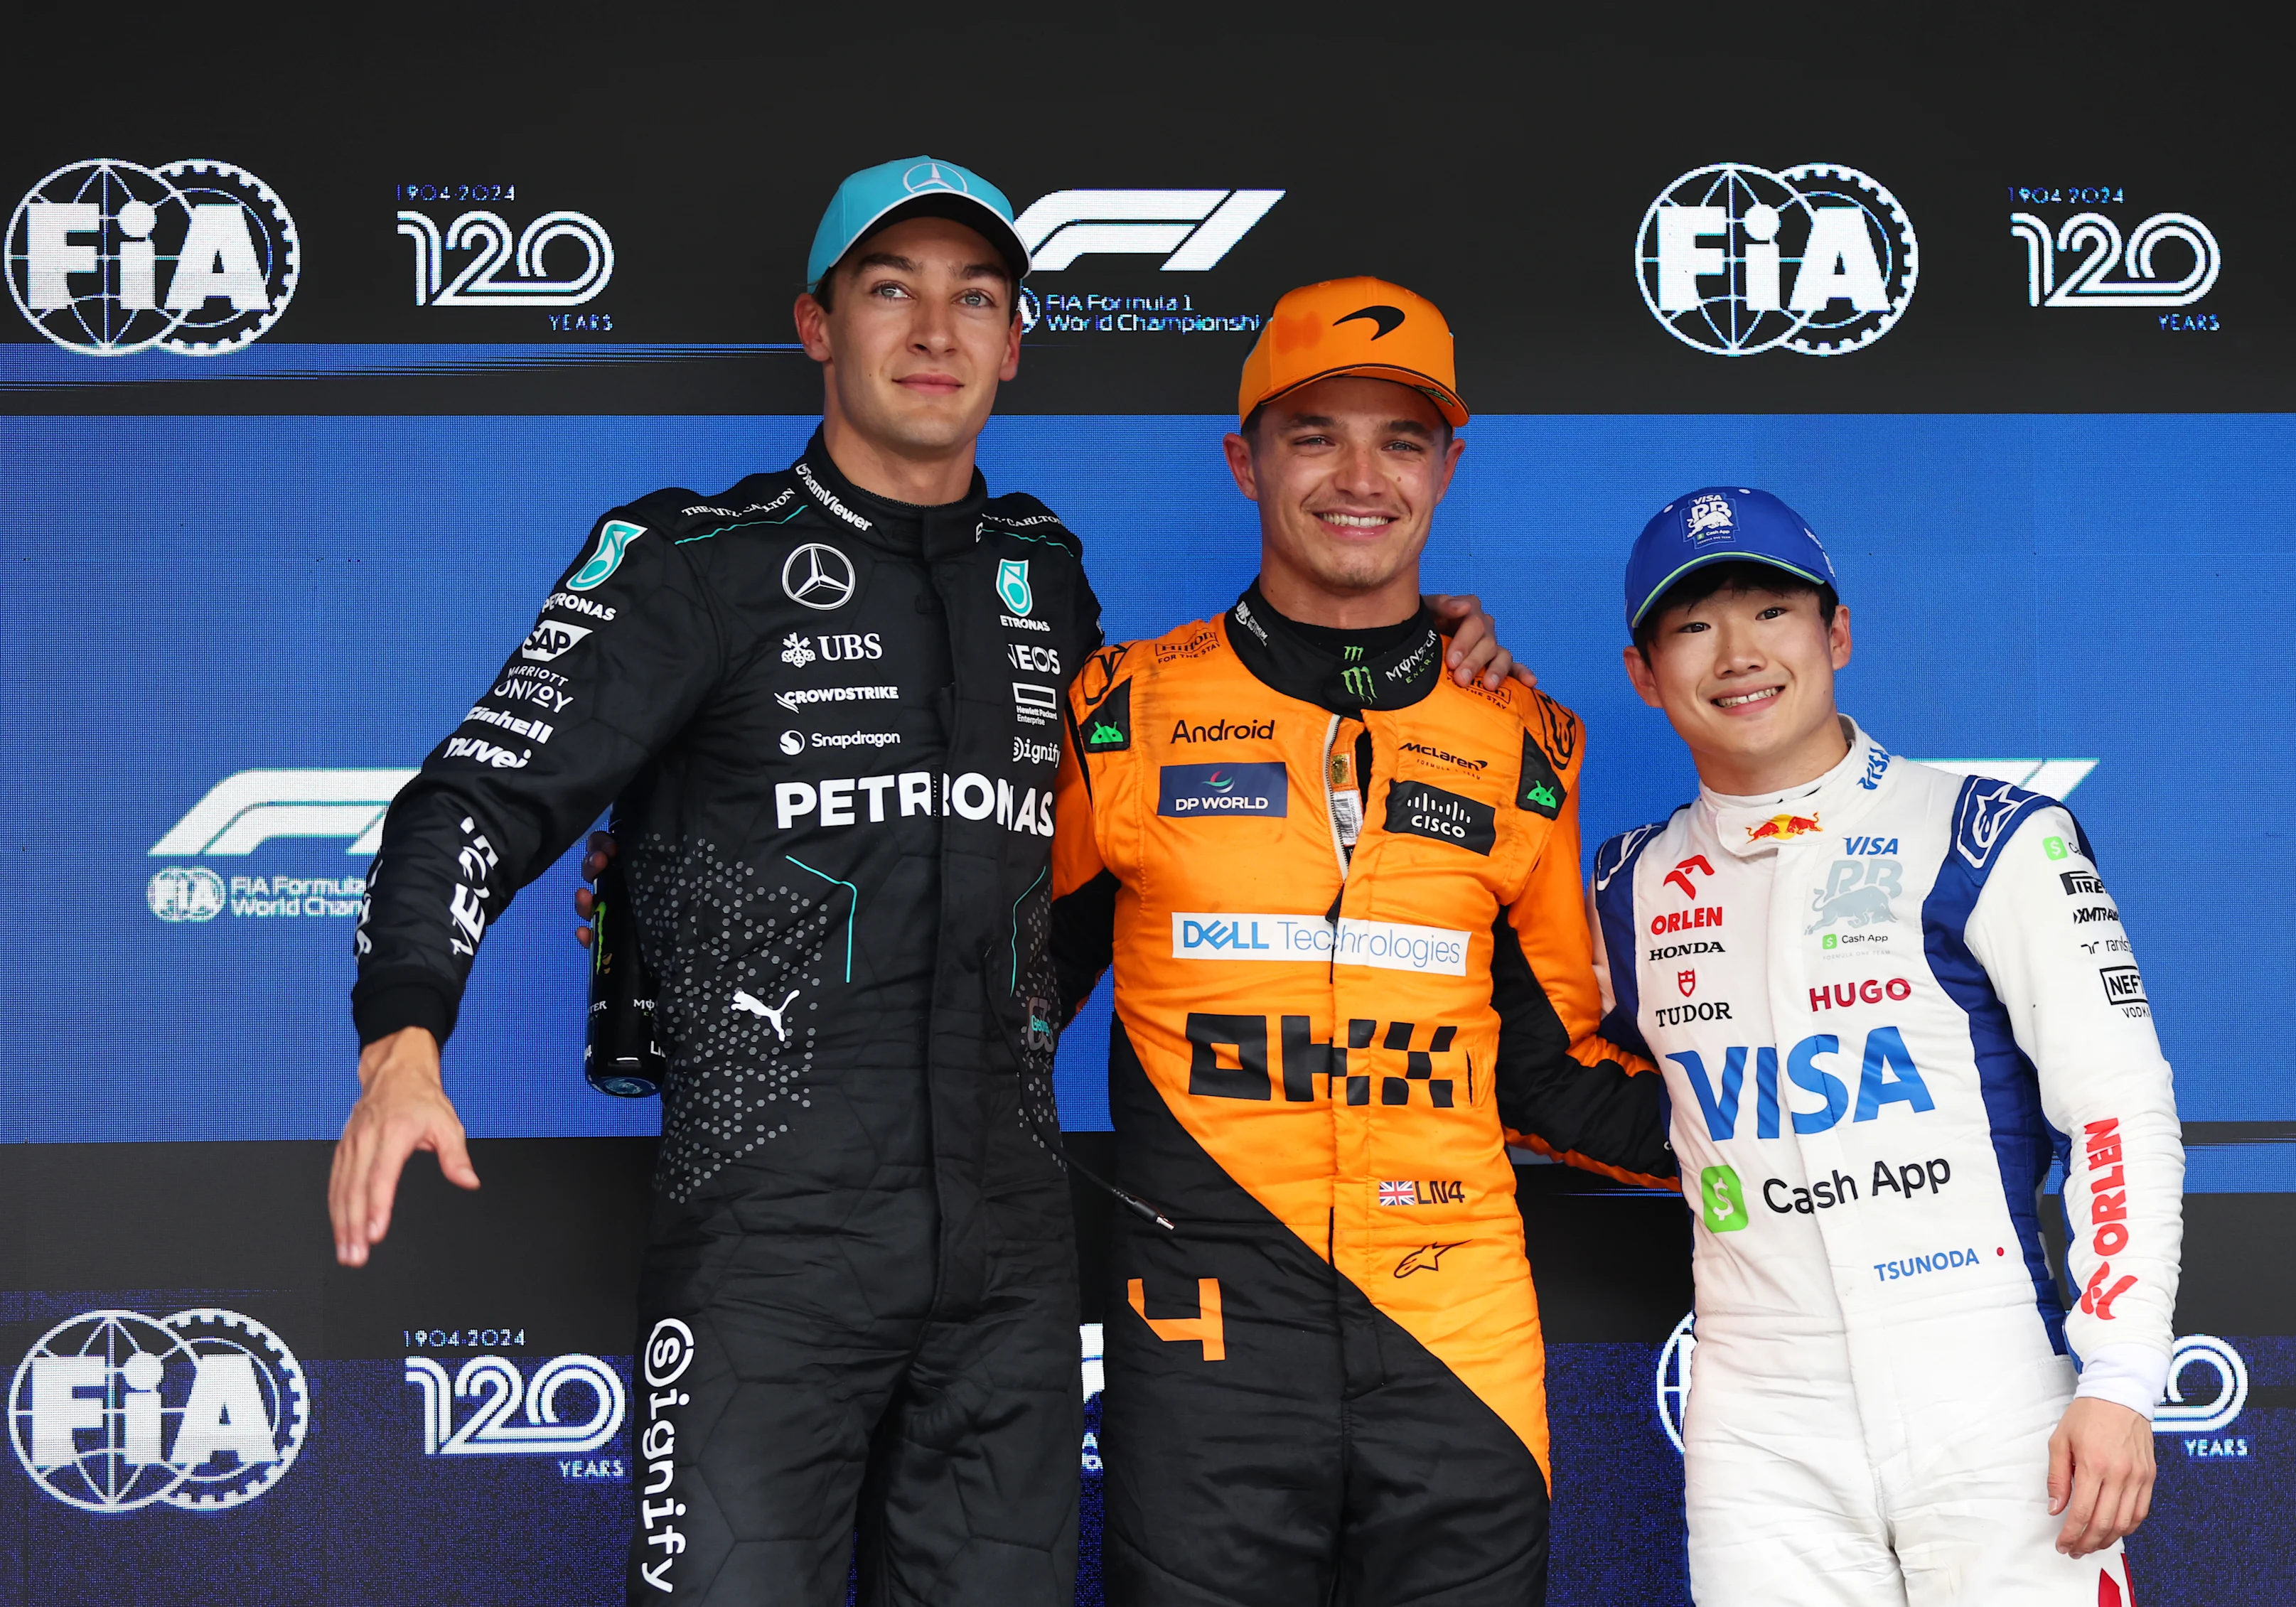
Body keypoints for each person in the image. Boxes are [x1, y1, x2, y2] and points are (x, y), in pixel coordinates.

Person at [332, 155, 1520, 1606]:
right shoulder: (693, 560)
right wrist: (403, 1039)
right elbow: (470, 797)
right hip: (768, 1238)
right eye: (890, 290)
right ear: (817, 325)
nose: (935, 331)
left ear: (1016, 343)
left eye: (974, 297)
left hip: (1010, 1263)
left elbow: (1158, 813)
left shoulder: (1045, 575)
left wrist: (1412, 665)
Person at [1048, 276, 1678, 1607]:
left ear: (1449, 466)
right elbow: (998, 1010)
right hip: (1206, 1346)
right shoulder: (1121, 715)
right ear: (1245, 460)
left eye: (1401, 438)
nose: (1360, 475)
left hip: (1461, 1340)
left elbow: (1549, 1075)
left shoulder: (1527, 745)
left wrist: (1786, 1148)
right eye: (1314, 432)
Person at [1592, 487, 2182, 1605]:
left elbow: (2116, 1108)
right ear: (1643, 672)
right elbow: (1554, 1076)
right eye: (1692, 625)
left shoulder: (1991, 835)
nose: (1738, 653)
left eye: (1770, 610)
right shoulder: (1628, 887)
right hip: (1756, 1414)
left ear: (1838, 633)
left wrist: (2120, 1376)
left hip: (1988, 1381)